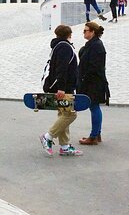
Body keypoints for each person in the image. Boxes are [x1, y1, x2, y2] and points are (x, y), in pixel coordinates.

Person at [38, 25, 83, 157]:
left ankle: (64, 146)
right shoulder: (64, 47)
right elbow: (62, 69)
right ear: (69, 34)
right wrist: (61, 88)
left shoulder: (58, 46)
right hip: (64, 88)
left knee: (63, 114)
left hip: (63, 87)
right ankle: (48, 136)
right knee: (70, 115)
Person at [77, 21, 110, 145]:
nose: (83, 32)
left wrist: (84, 78)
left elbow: (94, 66)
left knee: (94, 106)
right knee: (94, 107)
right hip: (93, 81)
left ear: (93, 32)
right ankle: (96, 134)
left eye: (85, 30)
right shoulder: (93, 44)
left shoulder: (96, 45)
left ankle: (94, 136)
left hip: (94, 82)